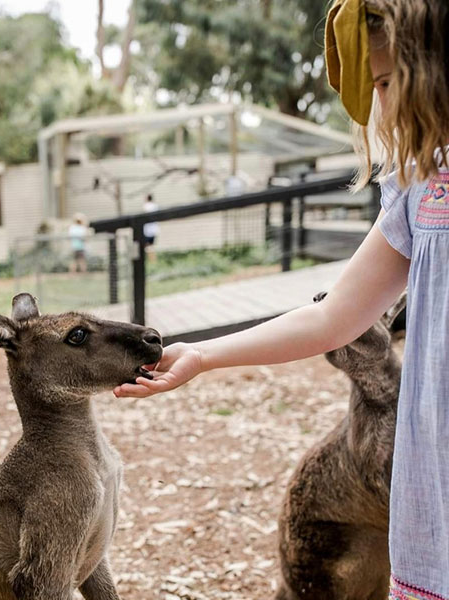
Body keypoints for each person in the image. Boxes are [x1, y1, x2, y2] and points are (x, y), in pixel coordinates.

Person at [115, 2, 449, 598]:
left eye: (386, 82)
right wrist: (204, 355)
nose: (382, 105)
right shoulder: (422, 184)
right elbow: (332, 314)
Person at [142, 194, 159, 260]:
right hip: (154, 229)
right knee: (152, 246)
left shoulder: (145, 206)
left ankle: (149, 259)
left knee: (147, 245)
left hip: (147, 230)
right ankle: (153, 259)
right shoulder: (155, 206)